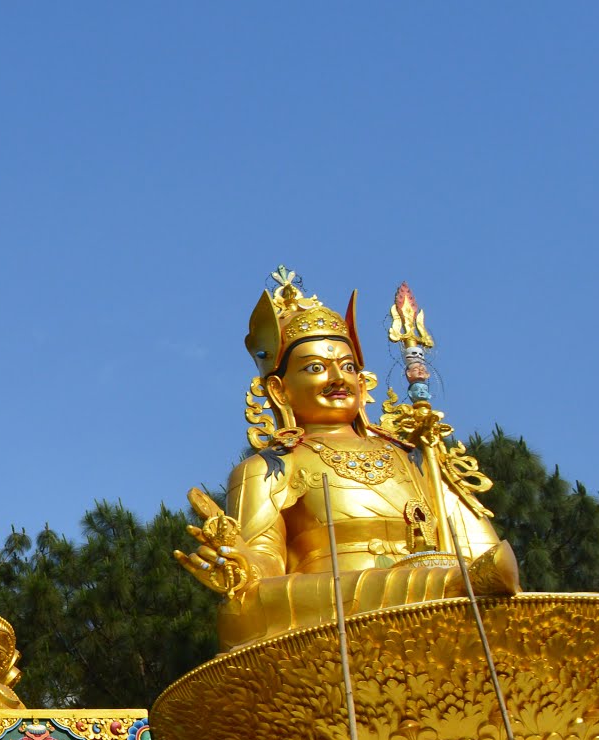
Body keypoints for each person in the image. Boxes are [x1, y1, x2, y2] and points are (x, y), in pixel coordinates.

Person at [177, 269, 517, 650]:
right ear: (279, 389)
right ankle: (436, 589)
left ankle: (442, 588)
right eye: (316, 368)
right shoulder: (270, 467)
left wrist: (432, 457)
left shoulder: (416, 458)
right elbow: (263, 570)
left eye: (348, 366)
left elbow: (491, 565)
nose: (338, 378)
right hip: (336, 616)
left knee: (488, 592)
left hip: (450, 609)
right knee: (244, 609)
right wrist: (241, 566)